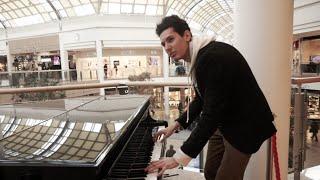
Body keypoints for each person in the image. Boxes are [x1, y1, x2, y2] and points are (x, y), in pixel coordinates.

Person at [145, 15, 277, 180]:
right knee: (210, 173)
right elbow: (201, 98)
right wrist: (175, 125)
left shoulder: (212, 57)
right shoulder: (199, 56)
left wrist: (178, 157)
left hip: (244, 127)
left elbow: (211, 113)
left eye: (170, 39)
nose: (167, 47)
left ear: (186, 35)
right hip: (225, 122)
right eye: (163, 43)